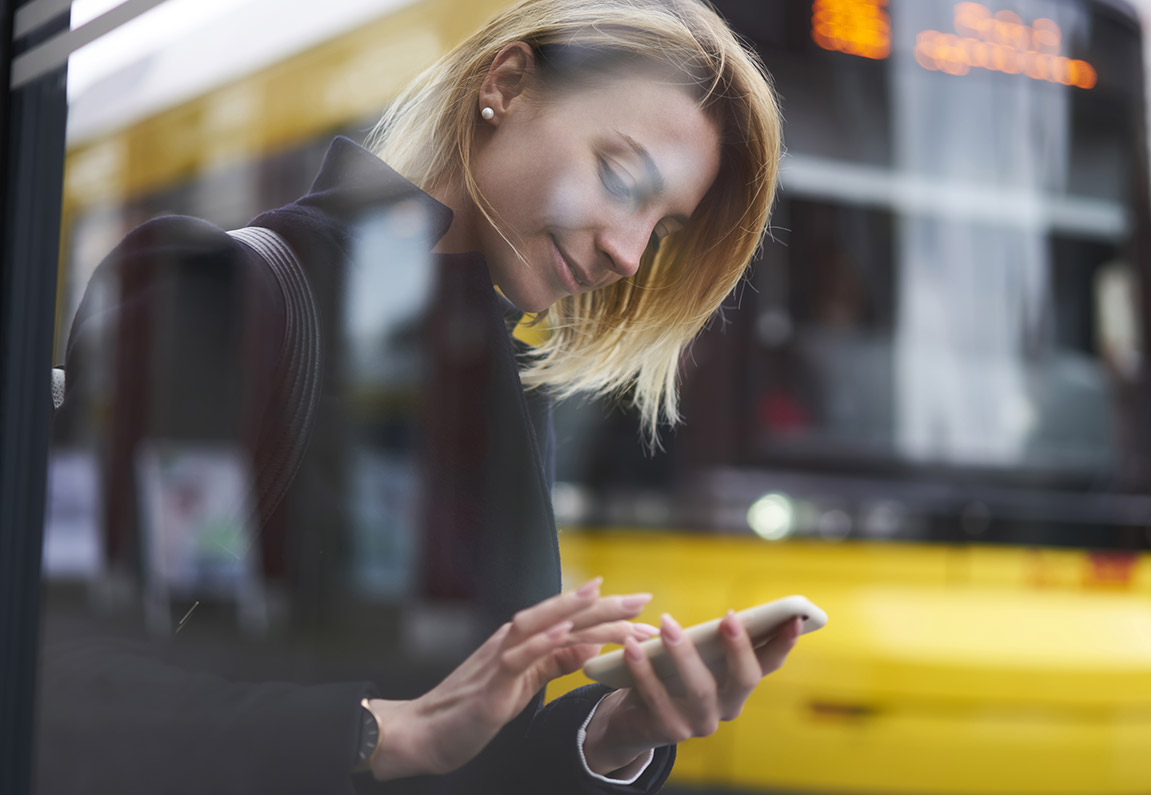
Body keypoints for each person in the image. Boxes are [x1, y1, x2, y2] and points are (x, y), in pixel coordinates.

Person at [38, 0, 795, 792]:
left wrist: (611, 733)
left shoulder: (497, 381)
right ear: (505, 83)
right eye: (618, 177)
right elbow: (56, 676)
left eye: (663, 229)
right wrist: (370, 733)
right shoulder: (223, 295)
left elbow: (459, 748)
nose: (629, 253)